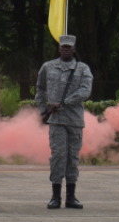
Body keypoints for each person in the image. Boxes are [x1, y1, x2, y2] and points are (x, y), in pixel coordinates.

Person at [35, 35, 93, 210]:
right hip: (57, 121)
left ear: (74, 49)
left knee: (72, 158)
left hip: (74, 120)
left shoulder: (82, 69)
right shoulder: (48, 67)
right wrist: (43, 110)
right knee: (58, 156)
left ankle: (71, 197)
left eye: (69, 47)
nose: (66, 49)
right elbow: (40, 89)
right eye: (63, 47)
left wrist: (65, 102)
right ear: (59, 48)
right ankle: (55, 196)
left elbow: (85, 91)